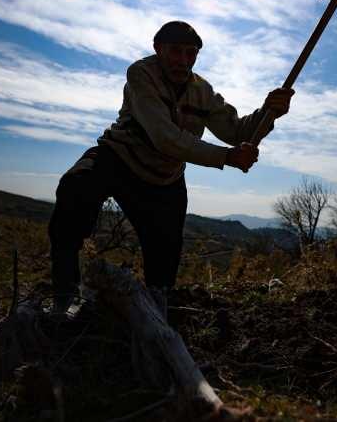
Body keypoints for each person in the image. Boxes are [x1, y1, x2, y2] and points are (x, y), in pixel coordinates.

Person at [48, 21, 294, 315]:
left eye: (191, 54)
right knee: (76, 187)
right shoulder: (141, 74)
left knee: (164, 260)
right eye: (175, 52)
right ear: (158, 49)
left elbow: (237, 131)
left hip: (165, 178)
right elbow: (164, 137)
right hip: (118, 157)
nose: (183, 60)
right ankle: (65, 294)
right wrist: (227, 158)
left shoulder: (203, 91)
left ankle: (155, 311)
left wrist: (270, 112)